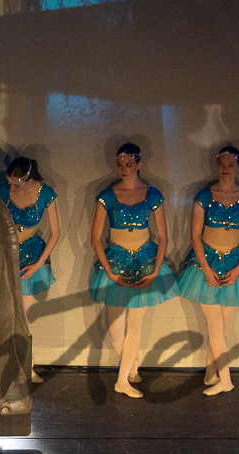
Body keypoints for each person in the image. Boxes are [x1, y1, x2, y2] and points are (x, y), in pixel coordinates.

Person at [89, 142, 178, 398]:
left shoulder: (152, 195)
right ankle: (132, 365)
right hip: (116, 262)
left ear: (139, 164)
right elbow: (95, 239)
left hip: (144, 262)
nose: (124, 169)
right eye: (120, 165)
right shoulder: (108, 196)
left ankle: (122, 381)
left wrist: (155, 271)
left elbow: (163, 237)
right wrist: (109, 272)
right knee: (116, 330)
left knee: (135, 325)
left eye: (129, 164)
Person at [176, 146, 239, 395]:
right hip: (205, 263)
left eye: (230, 164)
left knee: (220, 329)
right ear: (217, 165)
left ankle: (210, 373)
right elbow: (195, 235)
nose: (225, 169)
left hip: (235, 265)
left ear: (238, 166)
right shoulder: (205, 195)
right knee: (215, 328)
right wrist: (205, 269)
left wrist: (238, 270)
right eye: (222, 164)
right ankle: (226, 380)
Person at [0, 157, 61, 383]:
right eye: (10, 182)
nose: (12, 187)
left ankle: (26, 367)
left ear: (30, 179)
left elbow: (55, 233)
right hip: (7, 254)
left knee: (23, 317)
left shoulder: (45, 193)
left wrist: (39, 264)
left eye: (17, 183)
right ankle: (18, 366)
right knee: (9, 316)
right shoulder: (2, 191)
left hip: (31, 257)